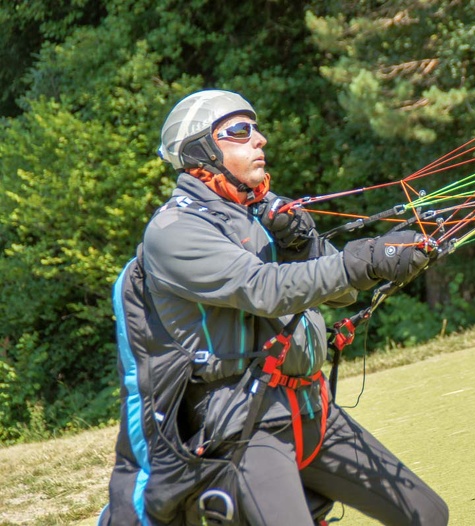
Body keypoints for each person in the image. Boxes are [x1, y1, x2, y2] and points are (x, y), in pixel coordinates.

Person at [102, 89, 449, 526]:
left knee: (428, 515)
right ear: (200, 149)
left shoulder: (259, 214)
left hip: (311, 407)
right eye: (241, 131)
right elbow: (265, 289)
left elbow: (339, 295)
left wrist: (313, 248)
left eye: (256, 128)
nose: (260, 138)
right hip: (246, 426)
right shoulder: (173, 231)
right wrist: (364, 260)